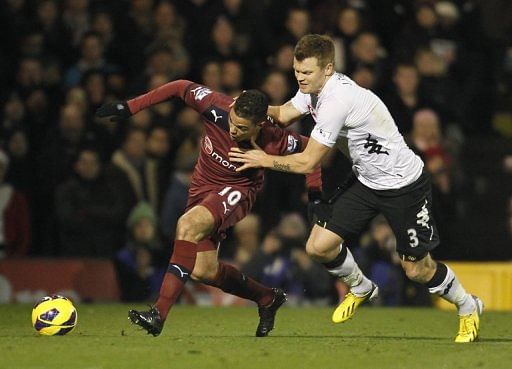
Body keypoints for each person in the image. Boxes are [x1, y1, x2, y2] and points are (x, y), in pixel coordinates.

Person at [228, 34, 483, 343]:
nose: (300, 78)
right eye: (297, 71)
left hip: (404, 185)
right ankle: (361, 286)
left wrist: (263, 159)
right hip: (367, 180)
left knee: (416, 270)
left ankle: (468, 307)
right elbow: (283, 113)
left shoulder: (338, 100)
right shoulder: (314, 89)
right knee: (318, 247)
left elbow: (309, 163)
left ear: (329, 69)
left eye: (306, 73)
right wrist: (250, 109)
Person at [96, 81, 322, 337]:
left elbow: (312, 153)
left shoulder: (274, 138)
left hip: (237, 191)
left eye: (243, 128)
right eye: (234, 122)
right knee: (203, 271)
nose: (234, 130)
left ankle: (158, 314)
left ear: (259, 125)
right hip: (201, 190)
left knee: (187, 226)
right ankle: (267, 298)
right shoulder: (215, 107)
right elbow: (180, 87)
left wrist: (315, 195)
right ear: (233, 105)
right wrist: (130, 106)